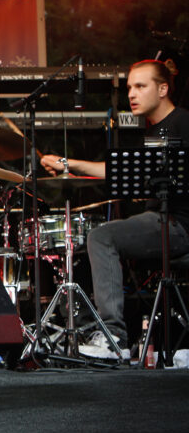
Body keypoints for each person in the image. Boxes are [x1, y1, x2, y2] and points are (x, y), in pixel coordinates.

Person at [40, 59, 189, 360]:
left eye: (140, 86)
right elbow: (119, 171)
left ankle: (113, 338)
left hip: (179, 224)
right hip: (160, 221)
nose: (131, 94)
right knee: (84, 246)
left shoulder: (182, 122)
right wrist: (70, 164)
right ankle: (88, 330)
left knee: (102, 237)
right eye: (130, 87)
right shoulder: (154, 131)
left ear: (162, 89)